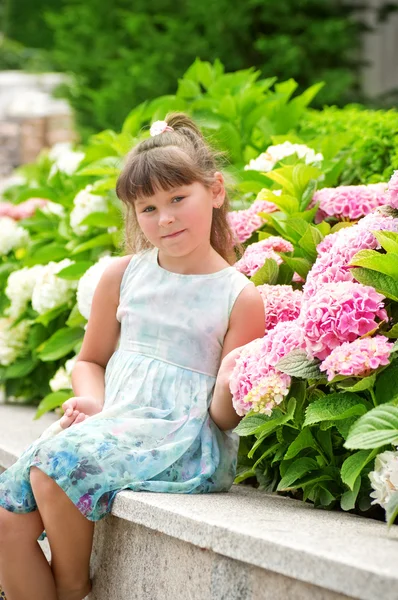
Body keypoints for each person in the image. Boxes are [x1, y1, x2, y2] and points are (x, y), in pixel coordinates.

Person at [0, 113, 265, 600]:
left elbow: (223, 419)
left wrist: (229, 381)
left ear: (216, 191)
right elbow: (90, 360)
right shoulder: (123, 276)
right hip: (114, 422)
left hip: (181, 440)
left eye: (178, 199)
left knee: (52, 467)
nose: (164, 219)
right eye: (148, 208)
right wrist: (93, 402)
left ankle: (72, 585)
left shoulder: (238, 297)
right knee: (6, 516)